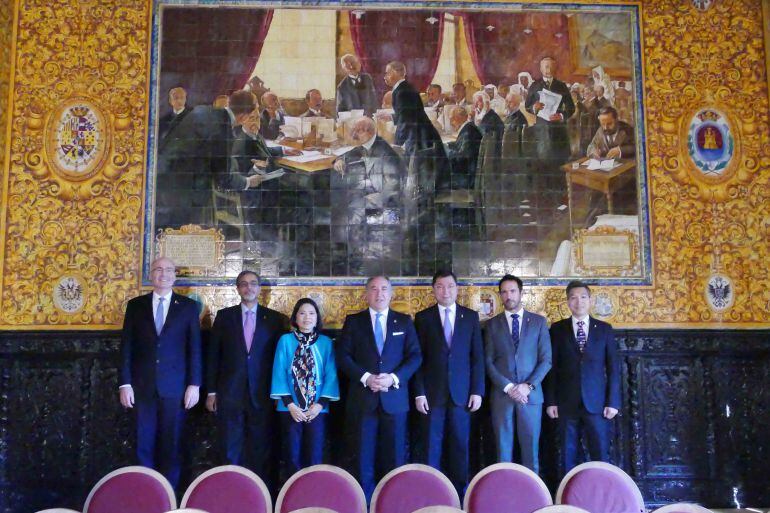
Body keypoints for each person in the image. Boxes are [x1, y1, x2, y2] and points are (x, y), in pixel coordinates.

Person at [335, 276, 422, 501]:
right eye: (374, 289)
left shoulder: (403, 321)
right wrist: (366, 377)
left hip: (395, 401)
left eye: (384, 289)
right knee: (363, 459)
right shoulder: (354, 322)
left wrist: (393, 378)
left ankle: (394, 503)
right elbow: (343, 357)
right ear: (366, 294)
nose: (379, 293)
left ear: (391, 293)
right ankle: (364, 503)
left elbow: (415, 356)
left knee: (394, 459)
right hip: (363, 401)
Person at [119, 257, 202, 489]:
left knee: (172, 445)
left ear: (175, 275)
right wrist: (124, 384)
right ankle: (145, 495)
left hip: (175, 389)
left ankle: (169, 497)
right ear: (151, 275)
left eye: (168, 270)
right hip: (141, 388)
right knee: (142, 445)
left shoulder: (187, 307)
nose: (163, 274)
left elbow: (194, 348)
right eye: (158, 269)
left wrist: (194, 384)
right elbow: (127, 346)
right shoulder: (135, 306)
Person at [205, 271, 288, 487]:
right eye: (243, 284)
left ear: (260, 288)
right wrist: (211, 392)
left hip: (263, 394)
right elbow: (214, 356)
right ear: (237, 289)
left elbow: (281, 361)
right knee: (230, 448)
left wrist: (281, 394)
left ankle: (262, 496)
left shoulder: (275, 320)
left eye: (253, 284)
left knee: (261, 448)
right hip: (230, 393)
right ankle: (232, 493)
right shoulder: (224, 317)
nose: (248, 288)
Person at [413, 270, 484, 497]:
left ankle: (459, 494)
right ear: (434, 290)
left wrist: (477, 390)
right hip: (432, 396)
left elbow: (477, 357)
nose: (446, 291)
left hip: (462, 395)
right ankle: (430, 493)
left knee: (460, 446)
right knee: (431, 447)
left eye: (450, 286)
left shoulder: (470, 317)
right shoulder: (423, 318)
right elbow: (417, 359)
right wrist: (419, 393)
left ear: (457, 288)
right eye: (440, 287)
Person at [545, 281, 620, 474]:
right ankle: (567, 497)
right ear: (568, 302)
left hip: (597, 404)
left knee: (600, 453)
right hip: (566, 402)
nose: (579, 302)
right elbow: (552, 368)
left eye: (583, 297)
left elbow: (613, 368)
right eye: (573, 298)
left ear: (590, 300)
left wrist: (613, 402)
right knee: (567, 455)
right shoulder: (557, 329)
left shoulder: (604, 329)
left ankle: (602, 496)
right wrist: (551, 401)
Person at [484, 274, 551, 473]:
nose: (508, 295)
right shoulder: (492, 324)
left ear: (521, 293)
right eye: (504, 292)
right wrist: (509, 387)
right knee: (502, 453)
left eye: (512, 291)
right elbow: (488, 361)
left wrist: (527, 386)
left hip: (530, 396)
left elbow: (546, 360)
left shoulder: (538, 322)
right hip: (502, 396)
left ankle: (534, 496)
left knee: (531, 451)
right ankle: (503, 494)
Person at [271, 298, 339, 480]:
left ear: (317, 318)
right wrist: (291, 405)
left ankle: (312, 497)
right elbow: (279, 372)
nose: (307, 317)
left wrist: (319, 405)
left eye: (311, 313)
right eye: (302, 313)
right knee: (292, 456)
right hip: (289, 409)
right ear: (295, 317)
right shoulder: (285, 340)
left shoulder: (326, 343)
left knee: (315, 456)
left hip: (317, 409)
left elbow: (330, 375)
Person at [331, 117, 407, 274]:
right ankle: (349, 255)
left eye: (357, 131)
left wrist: (372, 199)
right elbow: (353, 152)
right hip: (370, 193)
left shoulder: (384, 151)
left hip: (387, 201)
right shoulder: (368, 144)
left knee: (353, 213)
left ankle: (359, 261)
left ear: (368, 131)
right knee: (342, 204)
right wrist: (338, 160)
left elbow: (394, 186)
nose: (353, 135)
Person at [525, 56, 575, 163]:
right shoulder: (534, 86)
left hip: (558, 129)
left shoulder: (562, 86)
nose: (549, 70)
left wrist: (561, 116)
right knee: (543, 161)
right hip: (542, 129)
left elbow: (571, 107)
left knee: (560, 162)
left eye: (552, 67)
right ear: (541, 68)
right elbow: (527, 106)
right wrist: (534, 107)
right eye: (546, 67)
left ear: (556, 68)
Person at [445, 105, 482, 191]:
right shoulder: (469, 128)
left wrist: (447, 151)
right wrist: (450, 145)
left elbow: (462, 158)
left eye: (451, 118)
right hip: (470, 173)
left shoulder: (468, 132)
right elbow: (463, 146)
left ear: (458, 118)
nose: (450, 122)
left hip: (467, 178)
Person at [157, 87, 191, 151]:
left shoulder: (191, 116)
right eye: (176, 98)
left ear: (185, 99)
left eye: (182, 98)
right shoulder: (163, 120)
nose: (179, 101)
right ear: (170, 101)